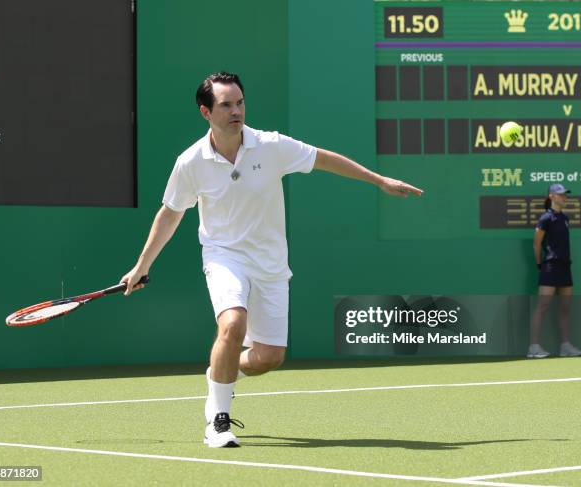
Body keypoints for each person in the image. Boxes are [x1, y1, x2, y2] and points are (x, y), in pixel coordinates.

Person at [120, 72, 423, 448]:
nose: (237, 111)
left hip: (270, 264)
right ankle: (217, 421)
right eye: (226, 105)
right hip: (224, 256)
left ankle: (221, 371)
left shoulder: (271, 146)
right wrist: (142, 264)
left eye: (240, 102)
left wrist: (377, 180)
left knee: (269, 357)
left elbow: (324, 160)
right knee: (232, 324)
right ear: (206, 112)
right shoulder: (190, 162)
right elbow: (170, 213)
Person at [528, 183, 581, 359]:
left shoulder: (565, 219)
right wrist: (540, 264)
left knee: (565, 308)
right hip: (550, 267)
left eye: (565, 194)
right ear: (551, 196)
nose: (564, 197)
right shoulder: (545, 218)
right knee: (543, 307)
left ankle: (565, 346)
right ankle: (534, 347)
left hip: (565, 268)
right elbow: (537, 243)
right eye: (561, 194)